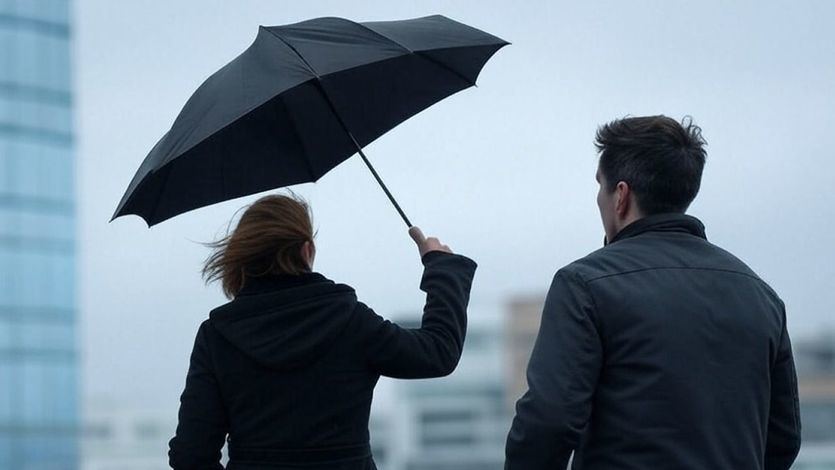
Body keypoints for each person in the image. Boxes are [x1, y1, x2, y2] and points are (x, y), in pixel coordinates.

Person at [505, 116, 801, 469]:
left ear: (621, 196)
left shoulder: (584, 284)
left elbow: (549, 420)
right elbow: (783, 437)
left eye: (601, 187)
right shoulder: (760, 295)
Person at [168, 194, 477, 469]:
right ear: (307, 250)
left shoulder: (218, 336)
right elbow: (438, 352)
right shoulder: (348, 320)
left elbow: (191, 455)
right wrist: (442, 269)